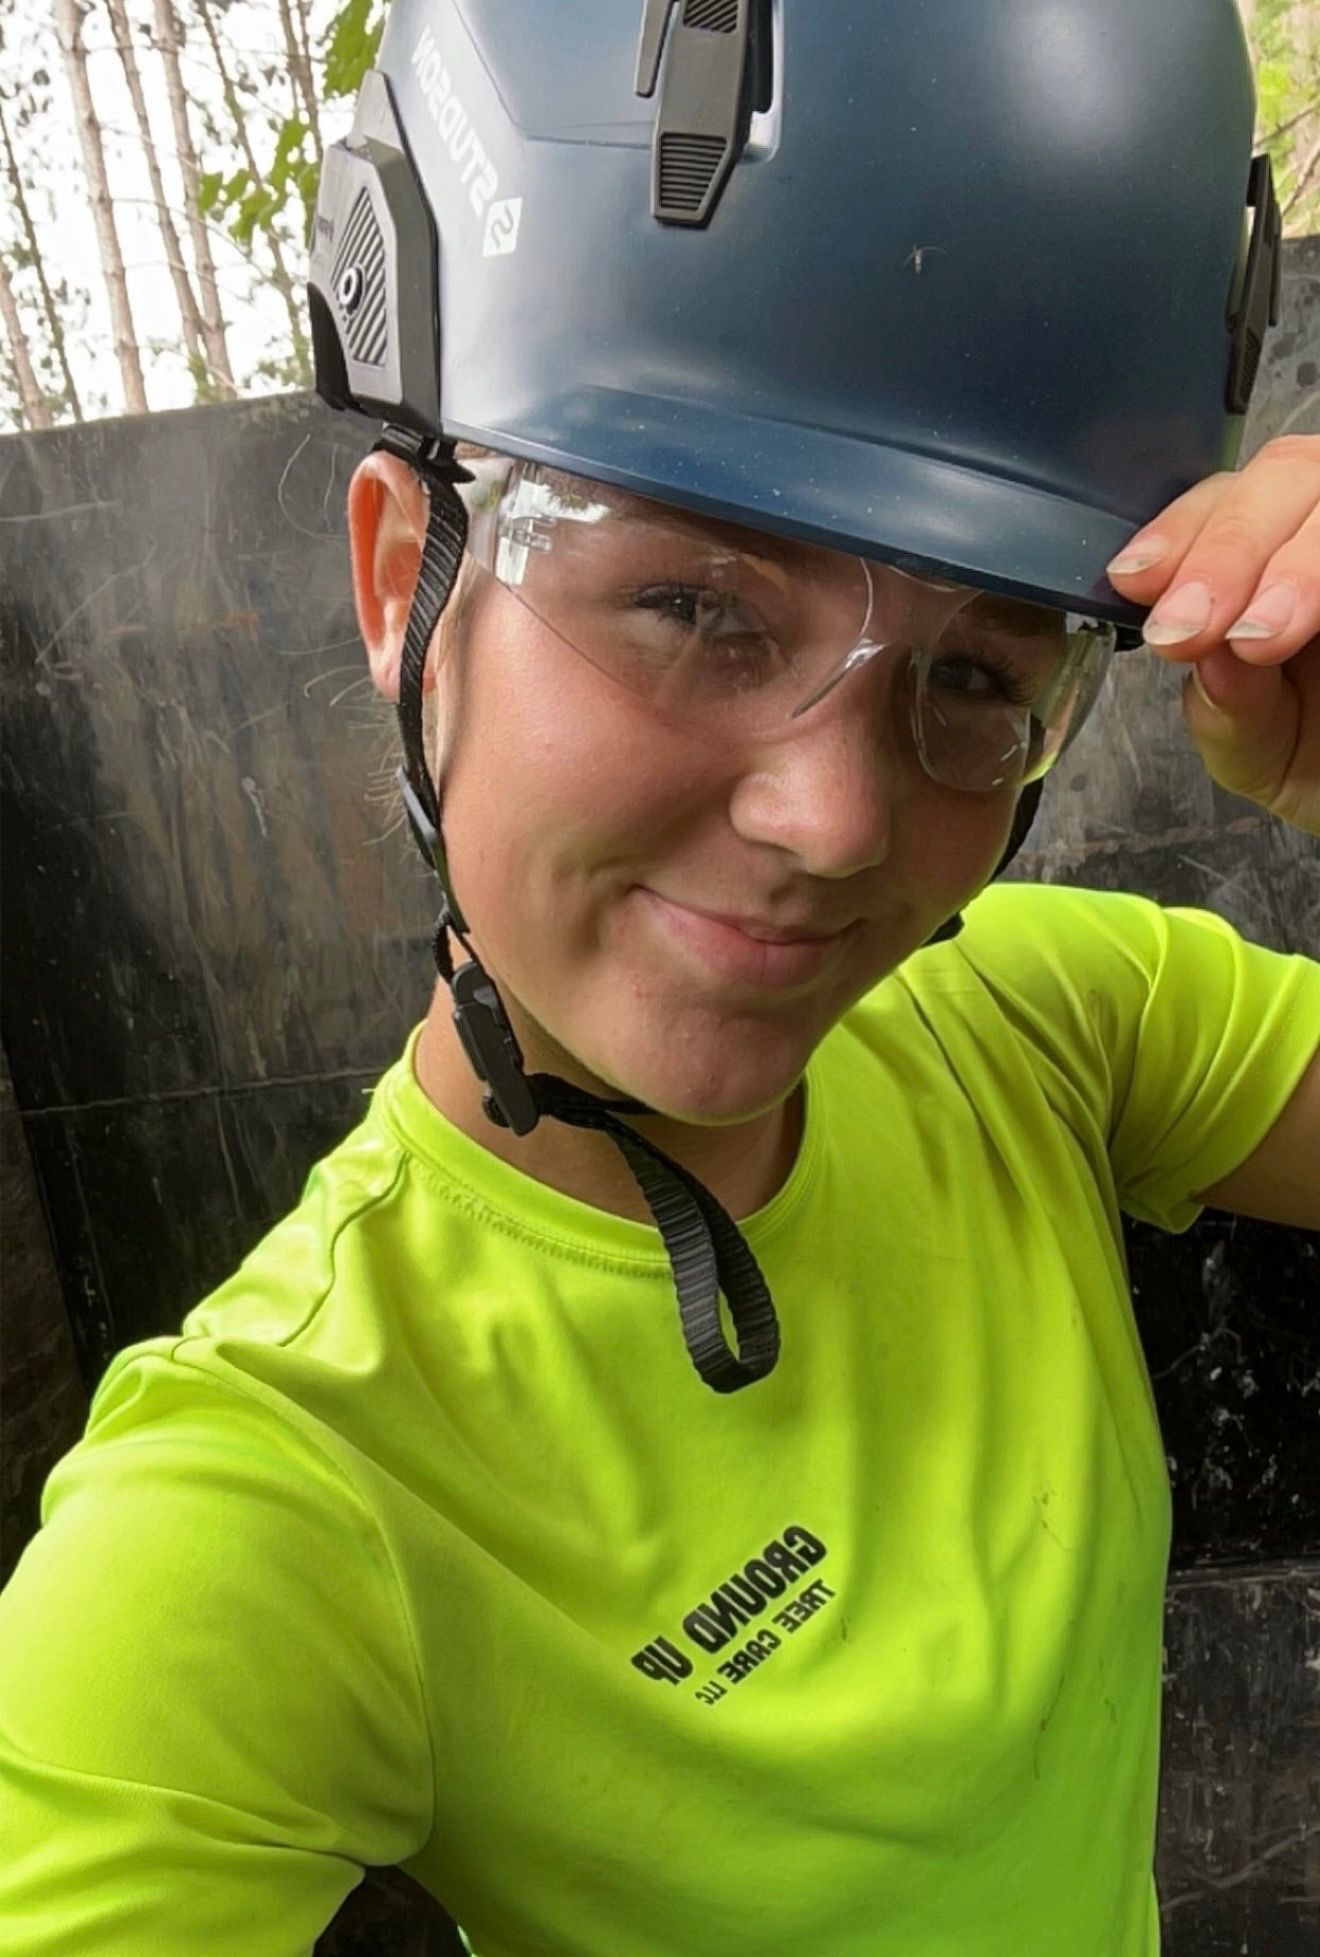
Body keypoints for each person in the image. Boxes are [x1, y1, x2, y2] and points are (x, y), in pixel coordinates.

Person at [2, 2, 1317, 1952]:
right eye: (695, 604)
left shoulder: (1046, 1028)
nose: (831, 818)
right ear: (400, 588)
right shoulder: (275, 1496)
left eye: (974, 674)